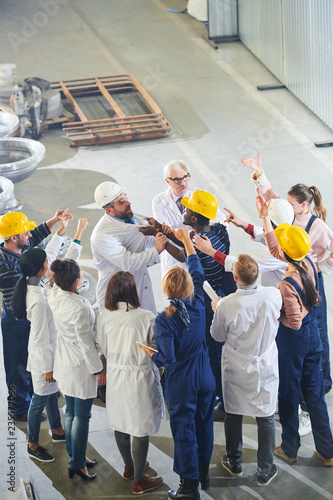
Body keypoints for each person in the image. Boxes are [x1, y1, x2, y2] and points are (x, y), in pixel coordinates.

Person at [242, 153, 333, 435]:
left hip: (308, 279)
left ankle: (318, 386)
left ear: (304, 205)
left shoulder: (317, 227)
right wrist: (259, 174)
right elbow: (273, 199)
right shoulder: (292, 215)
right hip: (295, 275)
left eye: (292, 204)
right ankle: (308, 390)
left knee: (315, 337)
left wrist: (317, 264)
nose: (287, 206)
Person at [256, 195, 333, 467]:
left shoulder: (287, 283)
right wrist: (265, 217)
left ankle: (289, 448)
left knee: (288, 395)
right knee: (315, 396)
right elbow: (279, 250)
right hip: (314, 339)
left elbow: (295, 321)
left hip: (294, 340)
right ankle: (327, 451)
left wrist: (275, 313)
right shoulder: (308, 260)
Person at [139, 228, 215, 500]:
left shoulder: (165, 319)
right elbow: (197, 270)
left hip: (181, 381)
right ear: (189, 288)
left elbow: (167, 358)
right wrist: (186, 242)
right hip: (205, 375)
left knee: (184, 432)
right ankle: (204, 473)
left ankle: (189, 486)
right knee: (204, 425)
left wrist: (151, 353)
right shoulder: (198, 304)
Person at [11, 215, 88, 463]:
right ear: (42, 268)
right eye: (47, 262)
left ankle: (57, 430)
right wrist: (47, 367)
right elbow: (41, 336)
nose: (49, 261)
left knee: (52, 394)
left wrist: (68, 233)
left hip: (50, 355)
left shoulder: (36, 283)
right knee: (39, 399)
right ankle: (33, 443)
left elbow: (54, 256)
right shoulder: (39, 299)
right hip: (44, 358)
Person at [210, 254, 282, 486]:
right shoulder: (273, 295)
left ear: (236, 277)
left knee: (234, 413)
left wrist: (216, 309)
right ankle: (265, 469)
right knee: (266, 416)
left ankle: (234, 462)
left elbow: (217, 336)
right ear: (257, 274)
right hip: (265, 365)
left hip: (237, 368)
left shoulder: (227, 304)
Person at [96, 271, 164, 495]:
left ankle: (129, 466)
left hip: (115, 374)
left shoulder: (104, 316)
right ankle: (139, 480)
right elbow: (156, 350)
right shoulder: (146, 317)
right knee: (140, 426)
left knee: (121, 421)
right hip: (139, 376)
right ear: (133, 291)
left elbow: (101, 348)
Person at [0, 209, 68, 420]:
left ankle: (39, 390)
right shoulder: (7, 266)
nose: (29, 236)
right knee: (17, 367)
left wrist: (55, 221)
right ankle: (18, 408)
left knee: (33, 356)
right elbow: (23, 298)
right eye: (25, 233)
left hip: (26, 318)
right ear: (13, 237)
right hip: (16, 321)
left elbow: (35, 235)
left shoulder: (17, 246)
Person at [48, 258, 106, 481]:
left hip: (64, 361)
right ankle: (78, 463)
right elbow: (86, 344)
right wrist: (98, 370)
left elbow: (56, 274)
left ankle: (76, 455)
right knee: (81, 415)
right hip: (80, 367)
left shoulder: (54, 294)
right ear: (75, 280)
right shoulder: (79, 307)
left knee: (70, 412)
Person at [91, 181, 168, 313]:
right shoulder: (102, 236)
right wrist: (157, 250)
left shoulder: (132, 220)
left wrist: (160, 232)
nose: (128, 203)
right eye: (121, 201)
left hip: (138, 284)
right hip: (117, 295)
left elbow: (145, 240)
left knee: (147, 325)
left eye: (126, 197)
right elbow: (128, 262)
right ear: (109, 210)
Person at [152, 160, 225, 277]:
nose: (183, 183)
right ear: (167, 181)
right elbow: (165, 231)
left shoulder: (201, 196)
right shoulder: (159, 201)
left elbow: (220, 220)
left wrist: (199, 237)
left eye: (185, 177)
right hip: (174, 261)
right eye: (177, 180)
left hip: (201, 258)